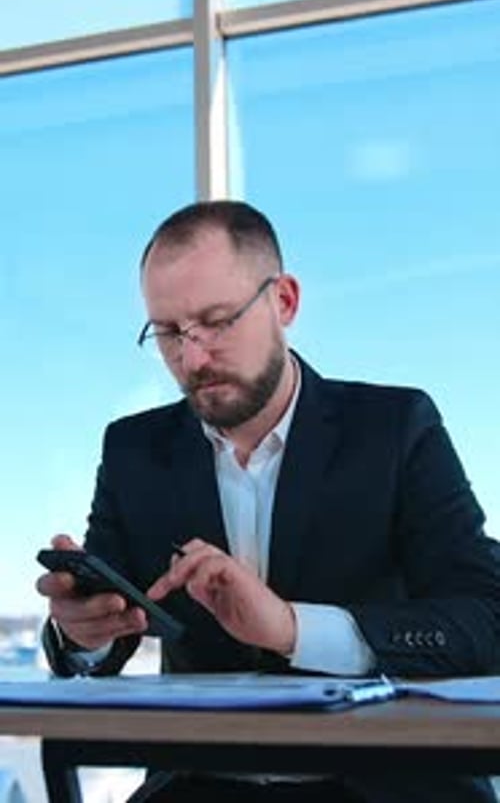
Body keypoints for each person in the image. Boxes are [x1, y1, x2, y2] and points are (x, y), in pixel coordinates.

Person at [37, 199, 500, 803]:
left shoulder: (395, 427)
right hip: (200, 788)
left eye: (218, 321)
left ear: (284, 302)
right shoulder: (133, 450)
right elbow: (107, 631)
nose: (193, 359)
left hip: (388, 788)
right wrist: (82, 636)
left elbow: (485, 620)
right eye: (171, 333)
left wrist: (291, 627)